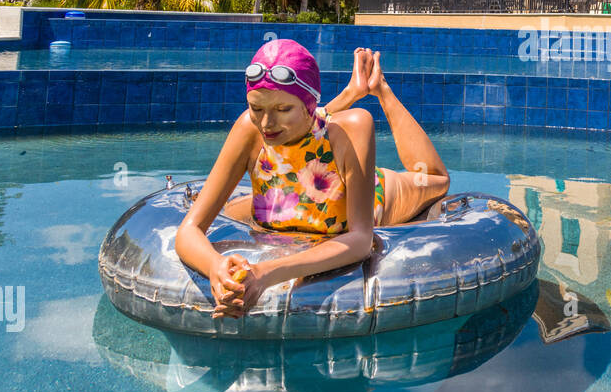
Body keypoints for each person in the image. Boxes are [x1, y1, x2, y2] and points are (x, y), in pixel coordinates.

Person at [174, 40, 451, 320]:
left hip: (374, 193)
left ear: (309, 106)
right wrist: (215, 267)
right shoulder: (249, 128)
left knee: (434, 179)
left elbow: (360, 240)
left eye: (282, 110)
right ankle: (352, 90)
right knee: (295, 133)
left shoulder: (355, 127)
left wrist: (265, 273)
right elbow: (188, 230)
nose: (267, 123)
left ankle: (380, 88)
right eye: (257, 108)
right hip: (296, 194)